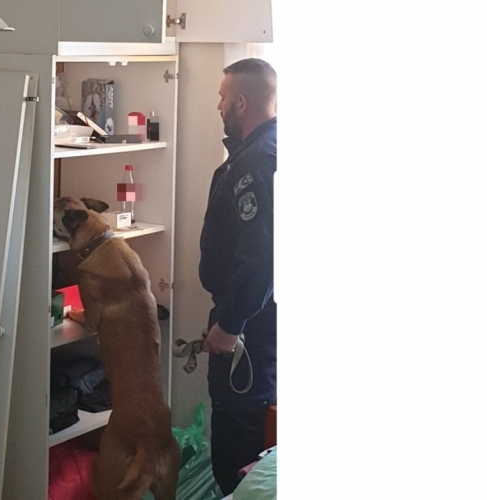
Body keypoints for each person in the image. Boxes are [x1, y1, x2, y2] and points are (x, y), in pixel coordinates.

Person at [199, 58, 277, 496]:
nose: (219, 106)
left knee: (237, 449)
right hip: (257, 318)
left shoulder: (256, 163)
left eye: (222, 98)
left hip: (251, 325)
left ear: (241, 103)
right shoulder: (266, 151)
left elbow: (263, 254)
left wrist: (230, 324)